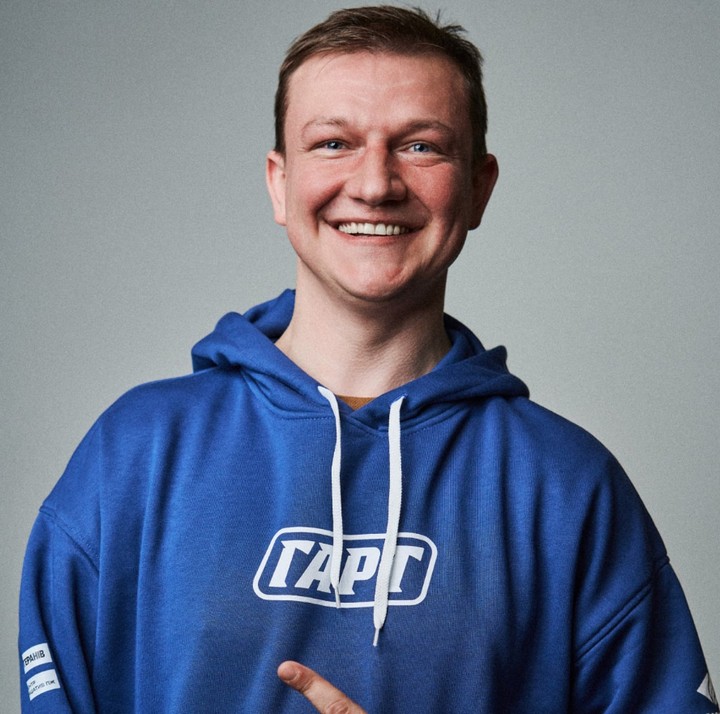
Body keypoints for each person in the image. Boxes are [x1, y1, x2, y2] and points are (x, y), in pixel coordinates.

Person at [18, 5, 716, 713]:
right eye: (333, 143)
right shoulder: (135, 453)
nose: (375, 183)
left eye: (420, 146)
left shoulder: (567, 485)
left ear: (478, 187)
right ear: (278, 183)